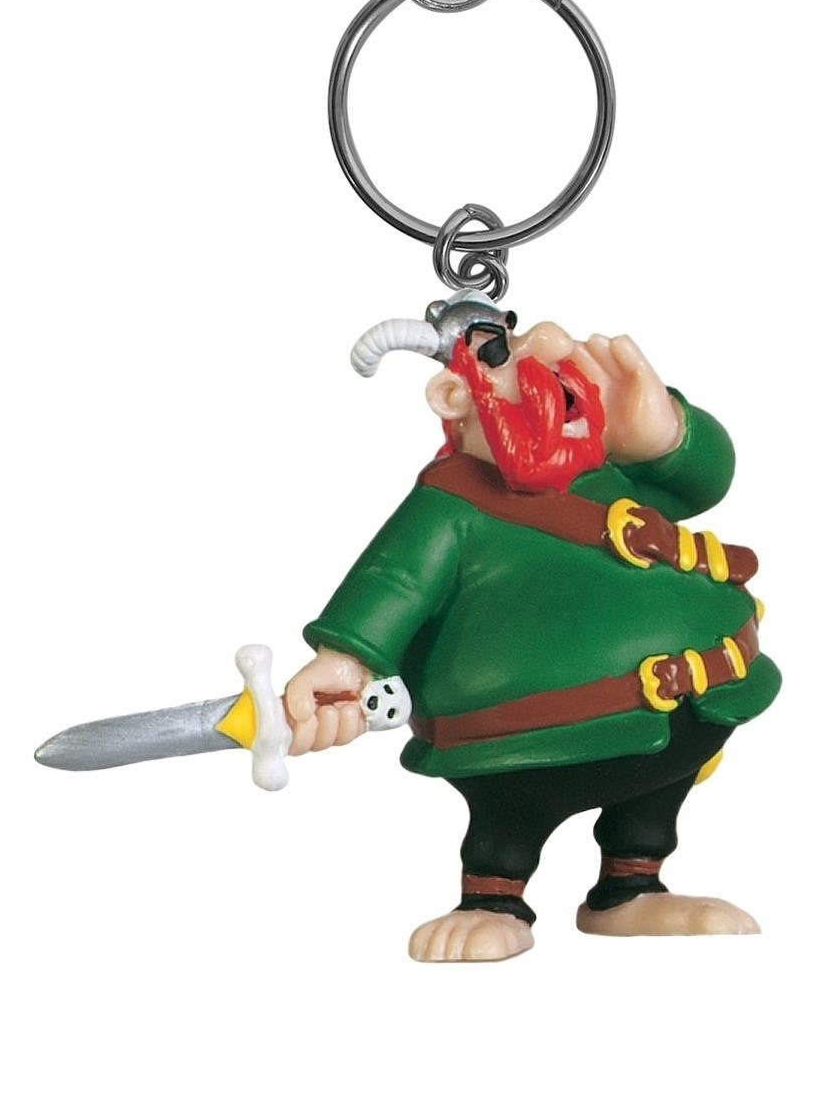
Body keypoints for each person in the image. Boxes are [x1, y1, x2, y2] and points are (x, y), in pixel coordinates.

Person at [284, 294, 781, 962]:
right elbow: (395, 581)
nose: (553, 350)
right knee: (510, 819)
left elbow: (703, 482)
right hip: (525, 737)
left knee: (653, 803)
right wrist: (344, 663)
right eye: (502, 354)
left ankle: (631, 887)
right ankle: (493, 896)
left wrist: (664, 436)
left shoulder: (609, 472)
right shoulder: (449, 505)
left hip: (694, 703)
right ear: (454, 397)